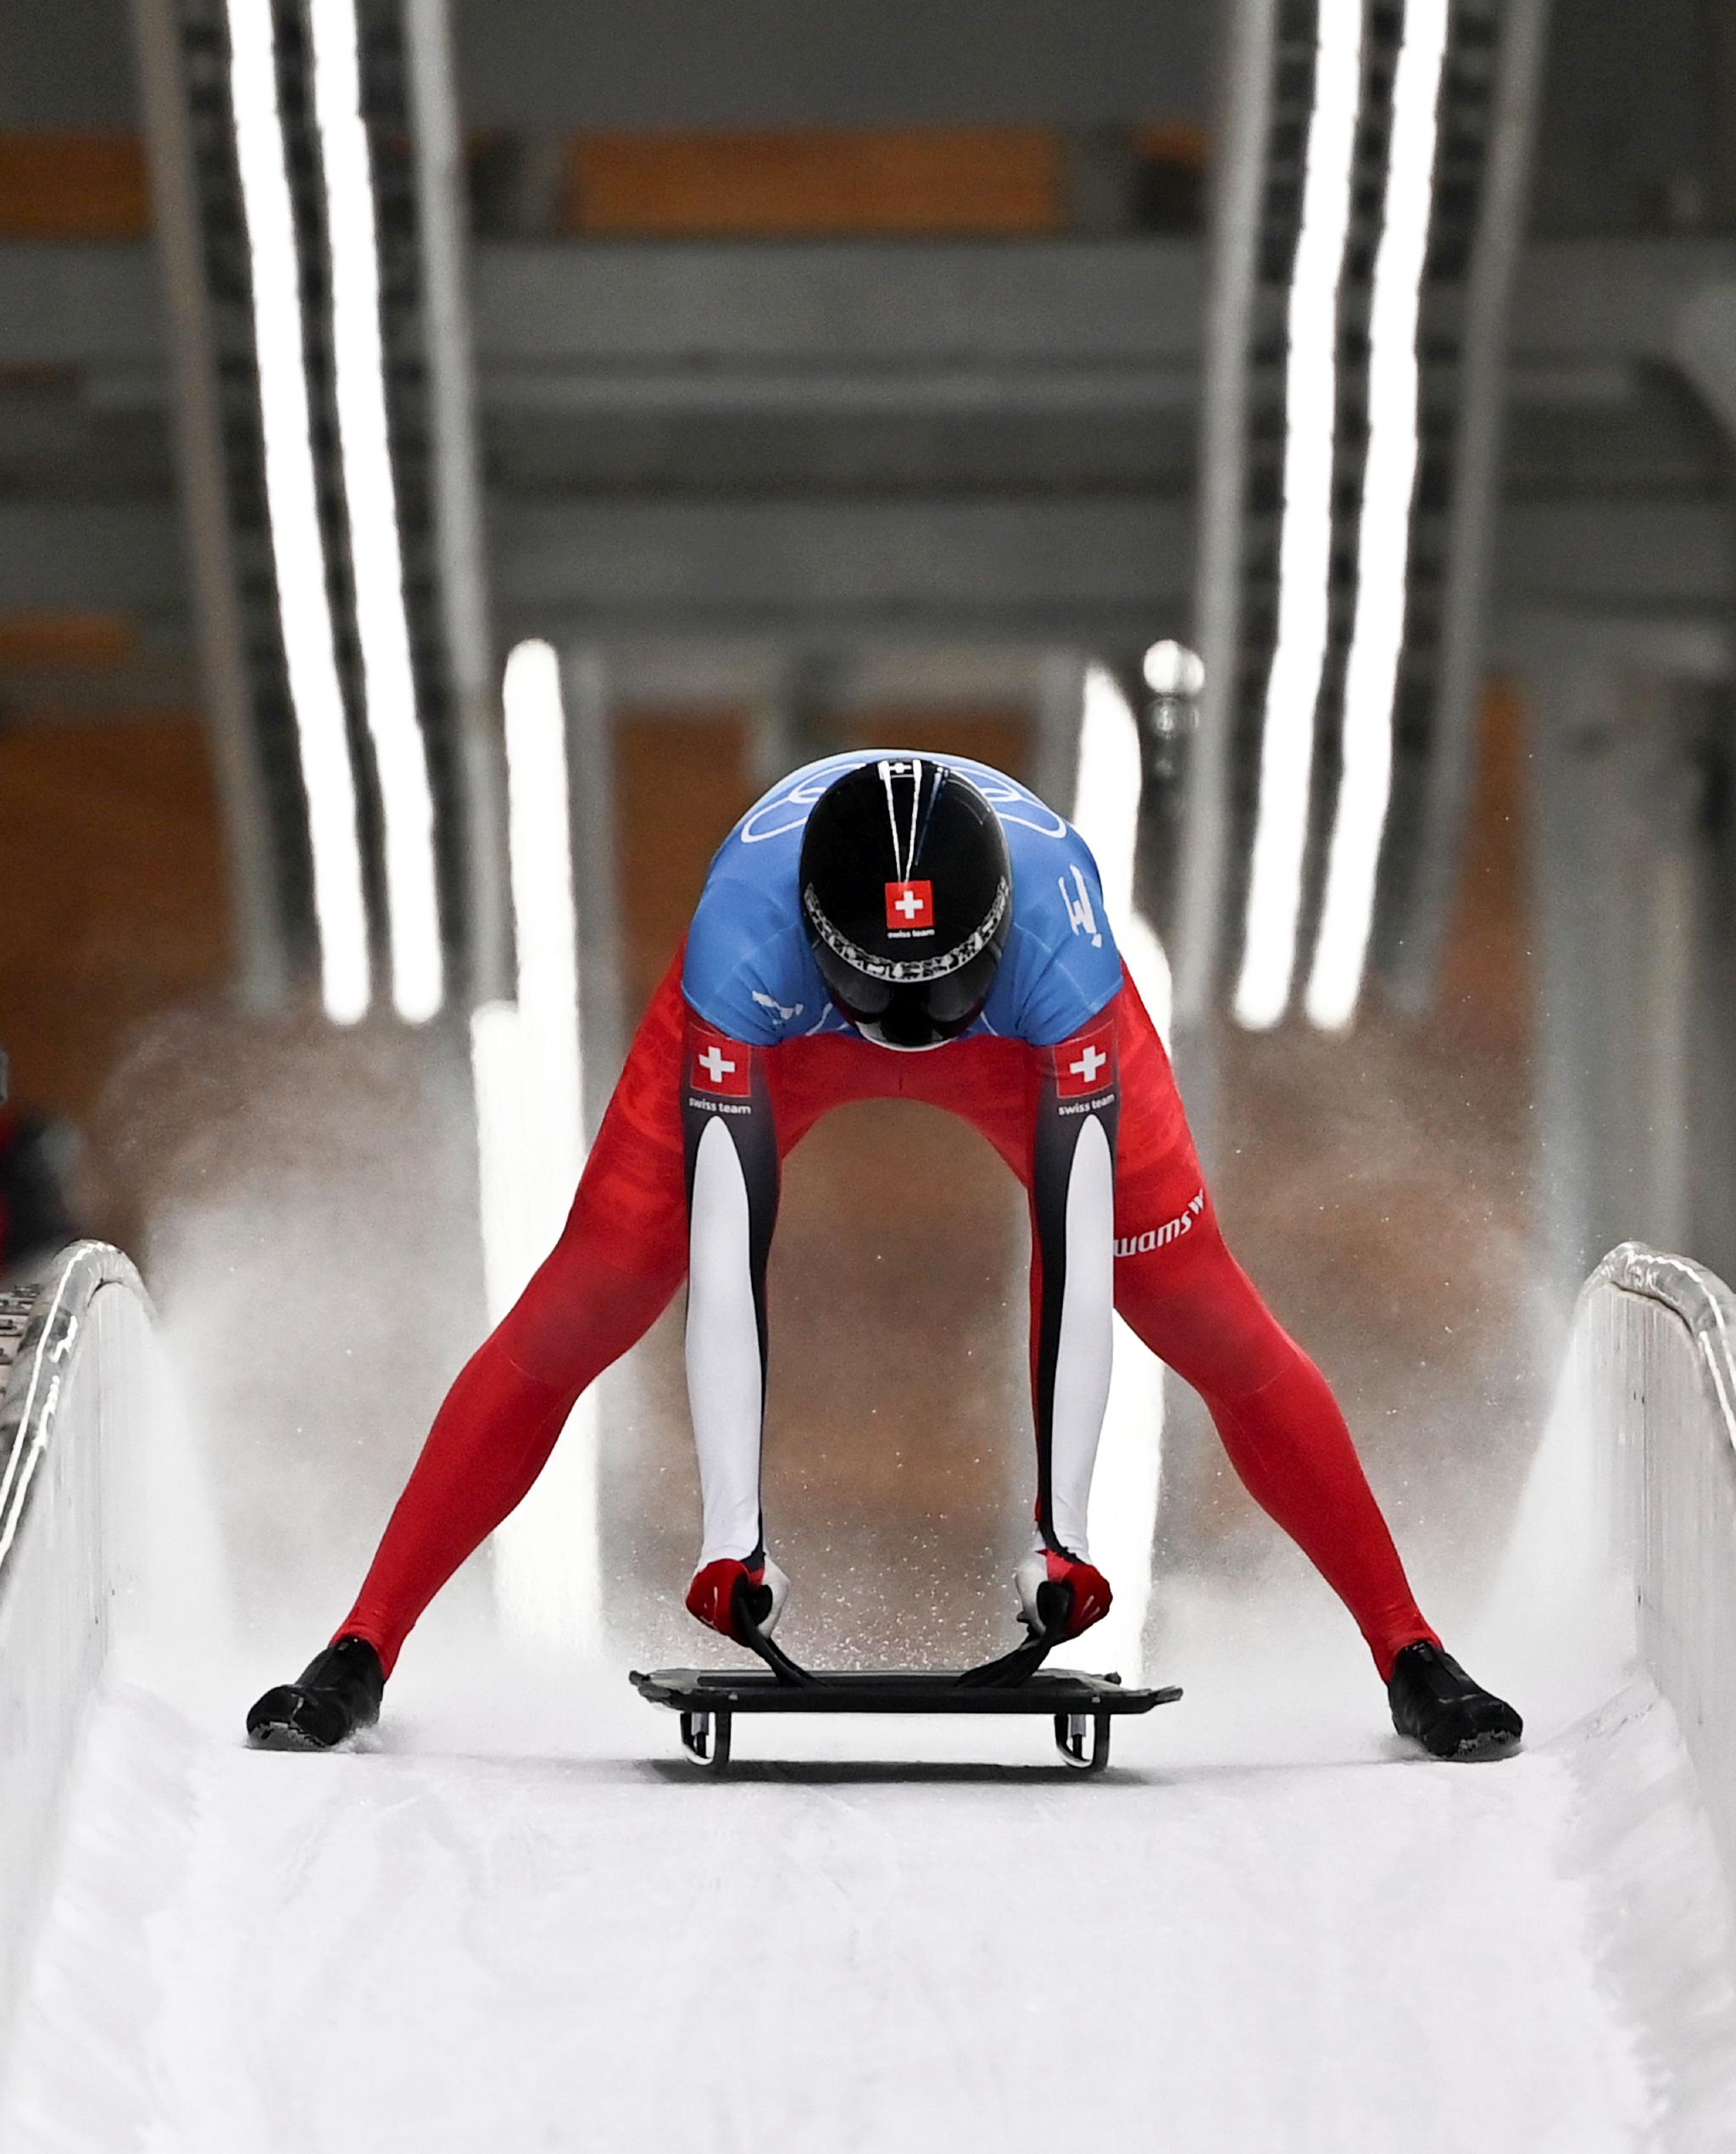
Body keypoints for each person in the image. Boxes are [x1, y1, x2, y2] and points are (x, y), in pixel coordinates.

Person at [247, 752, 1521, 1762]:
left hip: (1016, 1031)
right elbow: (728, 1253)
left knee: (1194, 1303)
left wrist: (1066, 1538)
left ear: (991, 938)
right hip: (791, 1026)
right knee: (595, 1290)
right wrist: (730, 1541)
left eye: (932, 998)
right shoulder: (742, 940)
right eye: (887, 1000)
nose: (909, 1034)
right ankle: (360, 1646)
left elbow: (1076, 1254)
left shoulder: (1064, 949)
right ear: (820, 936)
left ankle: (1412, 1650)